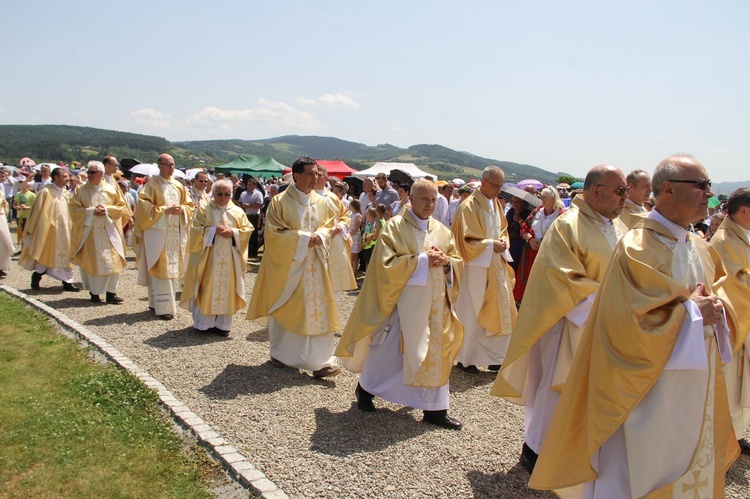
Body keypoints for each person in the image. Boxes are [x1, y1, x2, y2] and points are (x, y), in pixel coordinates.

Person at [530, 155, 739, 498]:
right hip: (642, 388)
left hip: (693, 380)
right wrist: (693, 313)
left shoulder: (700, 247)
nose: (709, 194)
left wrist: (717, 308)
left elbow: (715, 300)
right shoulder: (638, 247)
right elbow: (630, 324)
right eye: (701, 185)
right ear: (668, 189)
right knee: (635, 470)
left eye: (709, 185)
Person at [491, 165, 629, 473]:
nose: (625, 198)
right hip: (570, 322)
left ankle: (574, 449)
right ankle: (535, 451)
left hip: (606, 325)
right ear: (597, 191)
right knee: (558, 388)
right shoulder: (569, 225)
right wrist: (606, 308)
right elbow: (560, 277)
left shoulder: (617, 228)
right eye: (620, 191)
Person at [336, 179, 464, 429]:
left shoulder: (441, 230)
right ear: (411, 199)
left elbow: (456, 259)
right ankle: (366, 388)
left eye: (433, 200)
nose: (429, 204)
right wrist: (425, 260)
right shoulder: (395, 227)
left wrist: (448, 262)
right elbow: (385, 266)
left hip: (436, 306)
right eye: (424, 199)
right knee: (389, 353)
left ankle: (435, 409)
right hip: (402, 305)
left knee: (436, 353)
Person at [246, 156, 341, 379]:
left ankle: (320, 361)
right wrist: (304, 238)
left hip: (316, 266)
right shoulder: (280, 202)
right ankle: (282, 354)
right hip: (290, 268)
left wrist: (323, 236)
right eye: (310, 173)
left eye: (317, 173)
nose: (315, 178)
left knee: (318, 310)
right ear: (296, 176)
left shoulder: (324, 202)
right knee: (290, 306)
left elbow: (330, 226)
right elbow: (274, 234)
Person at [451, 166, 516, 373]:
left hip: (496, 265)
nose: (499, 190)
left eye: (501, 186)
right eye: (495, 186)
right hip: (476, 270)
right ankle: (466, 358)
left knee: (502, 309)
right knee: (473, 312)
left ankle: (496, 357)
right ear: (484, 183)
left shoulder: (496, 204)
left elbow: (503, 229)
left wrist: (504, 241)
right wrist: (490, 245)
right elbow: (464, 240)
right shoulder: (468, 206)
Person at [180, 179, 252, 336]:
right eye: (219, 194)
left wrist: (233, 232)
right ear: (214, 193)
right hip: (209, 259)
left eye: (227, 194)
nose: (223, 197)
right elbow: (196, 229)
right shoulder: (205, 209)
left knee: (227, 289)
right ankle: (204, 324)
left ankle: (222, 325)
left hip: (230, 260)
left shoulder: (237, 211)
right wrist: (213, 231)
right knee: (208, 287)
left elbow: (247, 230)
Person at [710, 187, 750, 454]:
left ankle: (737, 431)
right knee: (730, 381)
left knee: (738, 383)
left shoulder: (741, 236)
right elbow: (730, 284)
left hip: (744, 320)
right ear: (745, 210)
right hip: (735, 321)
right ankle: (725, 434)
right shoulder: (724, 240)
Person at [134, 154, 194, 320]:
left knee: (171, 269)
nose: (171, 168)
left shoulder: (179, 186)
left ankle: (155, 303)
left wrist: (182, 210)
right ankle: (164, 308)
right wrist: (164, 211)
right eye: (167, 164)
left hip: (175, 233)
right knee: (160, 268)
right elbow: (143, 207)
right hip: (158, 233)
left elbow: (190, 206)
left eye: (173, 164)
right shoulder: (152, 185)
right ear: (159, 165)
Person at [68, 161, 130, 304]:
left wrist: (107, 210)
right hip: (91, 232)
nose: (89, 175)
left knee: (114, 261)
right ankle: (95, 293)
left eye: (92, 172)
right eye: (89, 172)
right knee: (93, 262)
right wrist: (91, 211)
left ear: (101, 174)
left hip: (110, 232)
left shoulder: (111, 189)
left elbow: (121, 207)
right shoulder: (81, 190)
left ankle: (111, 293)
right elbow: (73, 208)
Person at [18, 167, 81, 292]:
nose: (67, 178)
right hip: (49, 230)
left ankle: (68, 282)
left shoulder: (66, 193)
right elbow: (37, 212)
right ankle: (37, 276)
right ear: (56, 177)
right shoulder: (45, 192)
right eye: (64, 176)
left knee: (66, 256)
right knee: (46, 254)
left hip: (65, 230)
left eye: (67, 176)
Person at [513, 186, 565, 304]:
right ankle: (523, 305)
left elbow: (563, 235)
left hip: (548, 255)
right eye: (542, 197)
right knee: (526, 280)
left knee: (543, 283)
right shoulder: (537, 211)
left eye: (545, 198)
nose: (542, 200)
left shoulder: (561, 215)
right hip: (531, 252)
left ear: (553, 199)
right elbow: (524, 228)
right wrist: (530, 239)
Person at [314, 166, 356, 292]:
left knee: (334, 284)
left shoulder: (332, 197)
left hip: (334, 243)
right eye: (314, 174)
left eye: (319, 174)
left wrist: (341, 226)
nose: (315, 177)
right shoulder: (308, 196)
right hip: (317, 241)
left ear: (325, 177)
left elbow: (345, 215)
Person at [238, 175, 264, 258]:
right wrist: (242, 206)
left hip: (254, 216)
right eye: (247, 184)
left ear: (254, 185)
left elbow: (260, 204)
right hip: (245, 216)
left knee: (253, 234)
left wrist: (249, 205)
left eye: (250, 185)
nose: (248, 186)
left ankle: (254, 252)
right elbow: (240, 202)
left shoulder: (258, 194)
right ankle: (247, 251)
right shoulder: (243, 193)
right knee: (246, 234)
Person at [506, 195, 531, 273]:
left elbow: (528, 229)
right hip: (511, 242)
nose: (515, 204)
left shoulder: (528, 213)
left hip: (521, 244)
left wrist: (519, 220)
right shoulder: (511, 212)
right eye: (513, 202)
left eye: (518, 202)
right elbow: (505, 225)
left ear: (523, 203)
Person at [13, 180, 35, 245]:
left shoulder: (32, 195)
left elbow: (35, 205)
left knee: (28, 233)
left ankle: (27, 248)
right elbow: (14, 204)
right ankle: (22, 248)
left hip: (28, 216)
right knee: (21, 232)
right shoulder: (18, 194)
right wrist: (16, 207)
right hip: (20, 216)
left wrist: (27, 207)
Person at [0, 169, 12, 278]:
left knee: (4, 244)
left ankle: (1, 267)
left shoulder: (1, 187)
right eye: (2, 176)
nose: (3, 178)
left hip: (2, 217)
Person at [348, 199, 362, 275]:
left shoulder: (357, 215)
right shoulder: (350, 214)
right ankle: (350, 271)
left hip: (355, 237)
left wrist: (349, 235)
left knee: (354, 255)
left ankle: (354, 272)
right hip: (350, 236)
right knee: (350, 254)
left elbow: (356, 228)